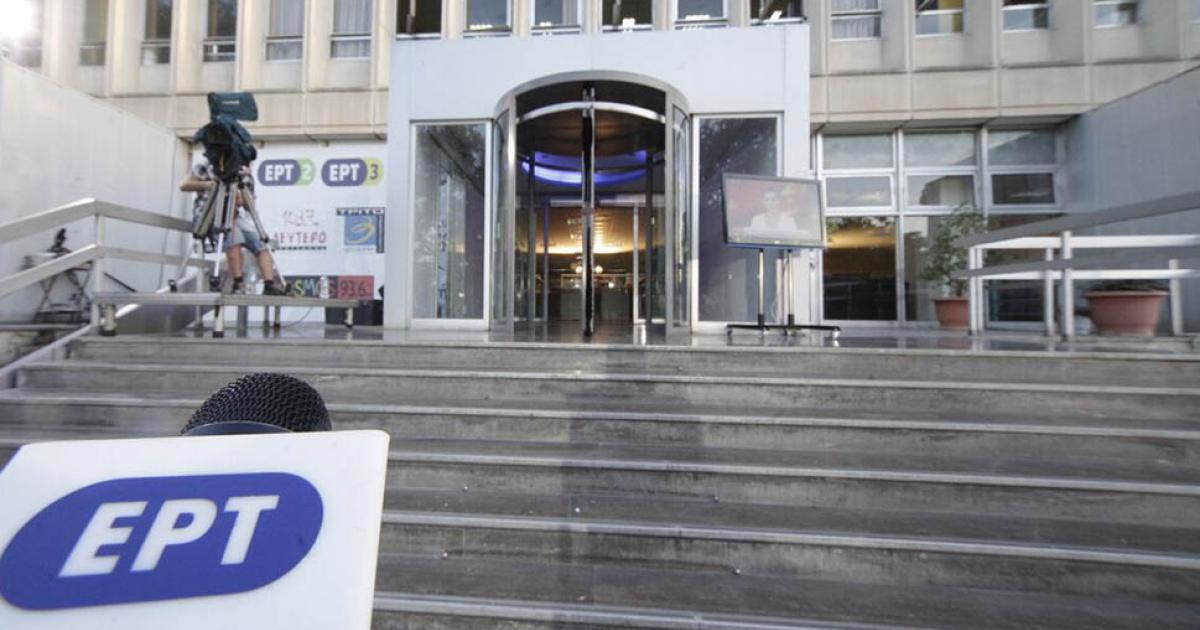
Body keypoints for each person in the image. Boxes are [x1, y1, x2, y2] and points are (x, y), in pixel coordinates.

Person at [181, 160, 284, 295]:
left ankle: (269, 285)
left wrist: (242, 199)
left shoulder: (243, 174)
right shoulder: (207, 166)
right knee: (234, 238)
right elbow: (184, 186)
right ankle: (238, 284)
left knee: (261, 242)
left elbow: (250, 206)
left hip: (235, 215)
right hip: (208, 214)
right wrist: (209, 185)